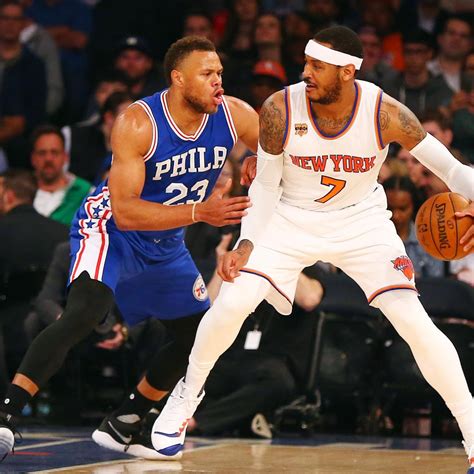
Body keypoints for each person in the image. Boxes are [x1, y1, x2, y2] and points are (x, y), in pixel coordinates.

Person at [152, 26, 474, 472]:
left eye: (317, 66)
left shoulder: (385, 113)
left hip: (361, 221)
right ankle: (186, 396)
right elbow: (266, 185)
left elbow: (453, 171)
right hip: (288, 217)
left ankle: (471, 428)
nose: (305, 72)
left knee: (414, 322)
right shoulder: (279, 109)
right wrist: (246, 243)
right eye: (306, 63)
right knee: (231, 304)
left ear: (347, 72)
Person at [0, 36, 258, 461]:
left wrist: (260, 162)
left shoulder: (235, 114)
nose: (218, 81)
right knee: (85, 311)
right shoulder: (139, 122)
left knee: (199, 334)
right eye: (207, 74)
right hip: (111, 229)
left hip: (166, 238)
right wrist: (200, 211)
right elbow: (126, 213)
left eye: (220, 73)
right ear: (178, 79)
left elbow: (281, 150)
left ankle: (126, 420)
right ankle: (7, 416)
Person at [31, 125, 91, 226]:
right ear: (33, 158)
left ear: (65, 157)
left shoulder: (87, 193)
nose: (48, 159)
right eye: (42, 153)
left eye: (54, 152)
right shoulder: (20, 193)